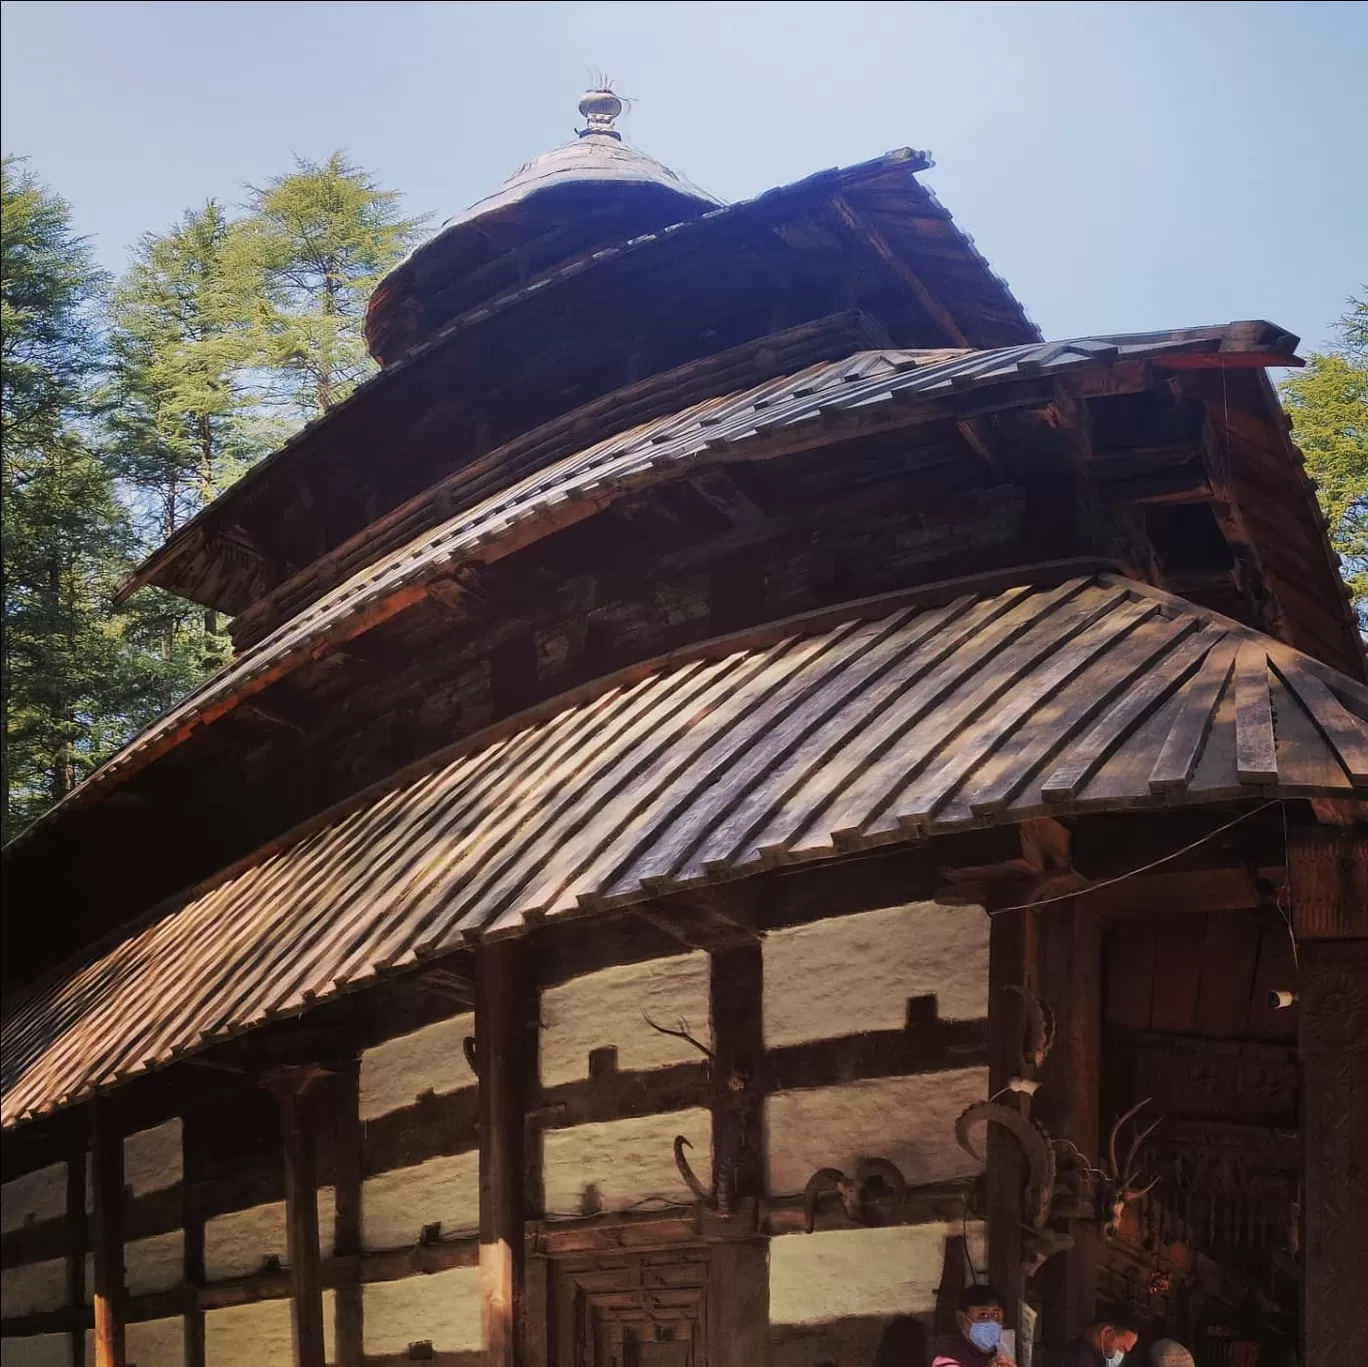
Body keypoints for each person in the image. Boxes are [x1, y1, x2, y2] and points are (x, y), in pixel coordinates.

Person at [932, 1284, 1017, 1366]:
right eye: (983, 1315)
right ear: (962, 1320)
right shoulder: (947, 1359)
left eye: (996, 1315)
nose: (991, 1322)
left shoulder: (998, 1355)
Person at [1054, 1308, 1142, 1367]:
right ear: (1106, 1332)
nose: (1121, 1354)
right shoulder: (1075, 1358)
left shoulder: (1096, 1359)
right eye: (1122, 1348)